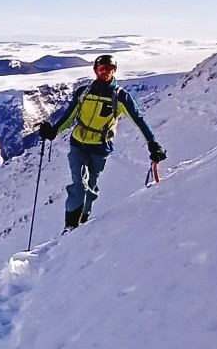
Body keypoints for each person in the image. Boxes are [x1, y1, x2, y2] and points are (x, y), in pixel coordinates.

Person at [37, 54, 166, 231]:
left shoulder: (121, 97)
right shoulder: (84, 92)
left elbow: (139, 120)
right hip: (78, 144)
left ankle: (83, 220)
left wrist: (153, 143)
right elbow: (69, 116)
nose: (106, 72)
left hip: (100, 147)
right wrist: (54, 131)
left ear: (115, 71)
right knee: (79, 185)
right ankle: (71, 226)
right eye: (102, 69)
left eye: (110, 69)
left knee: (90, 186)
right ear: (96, 71)